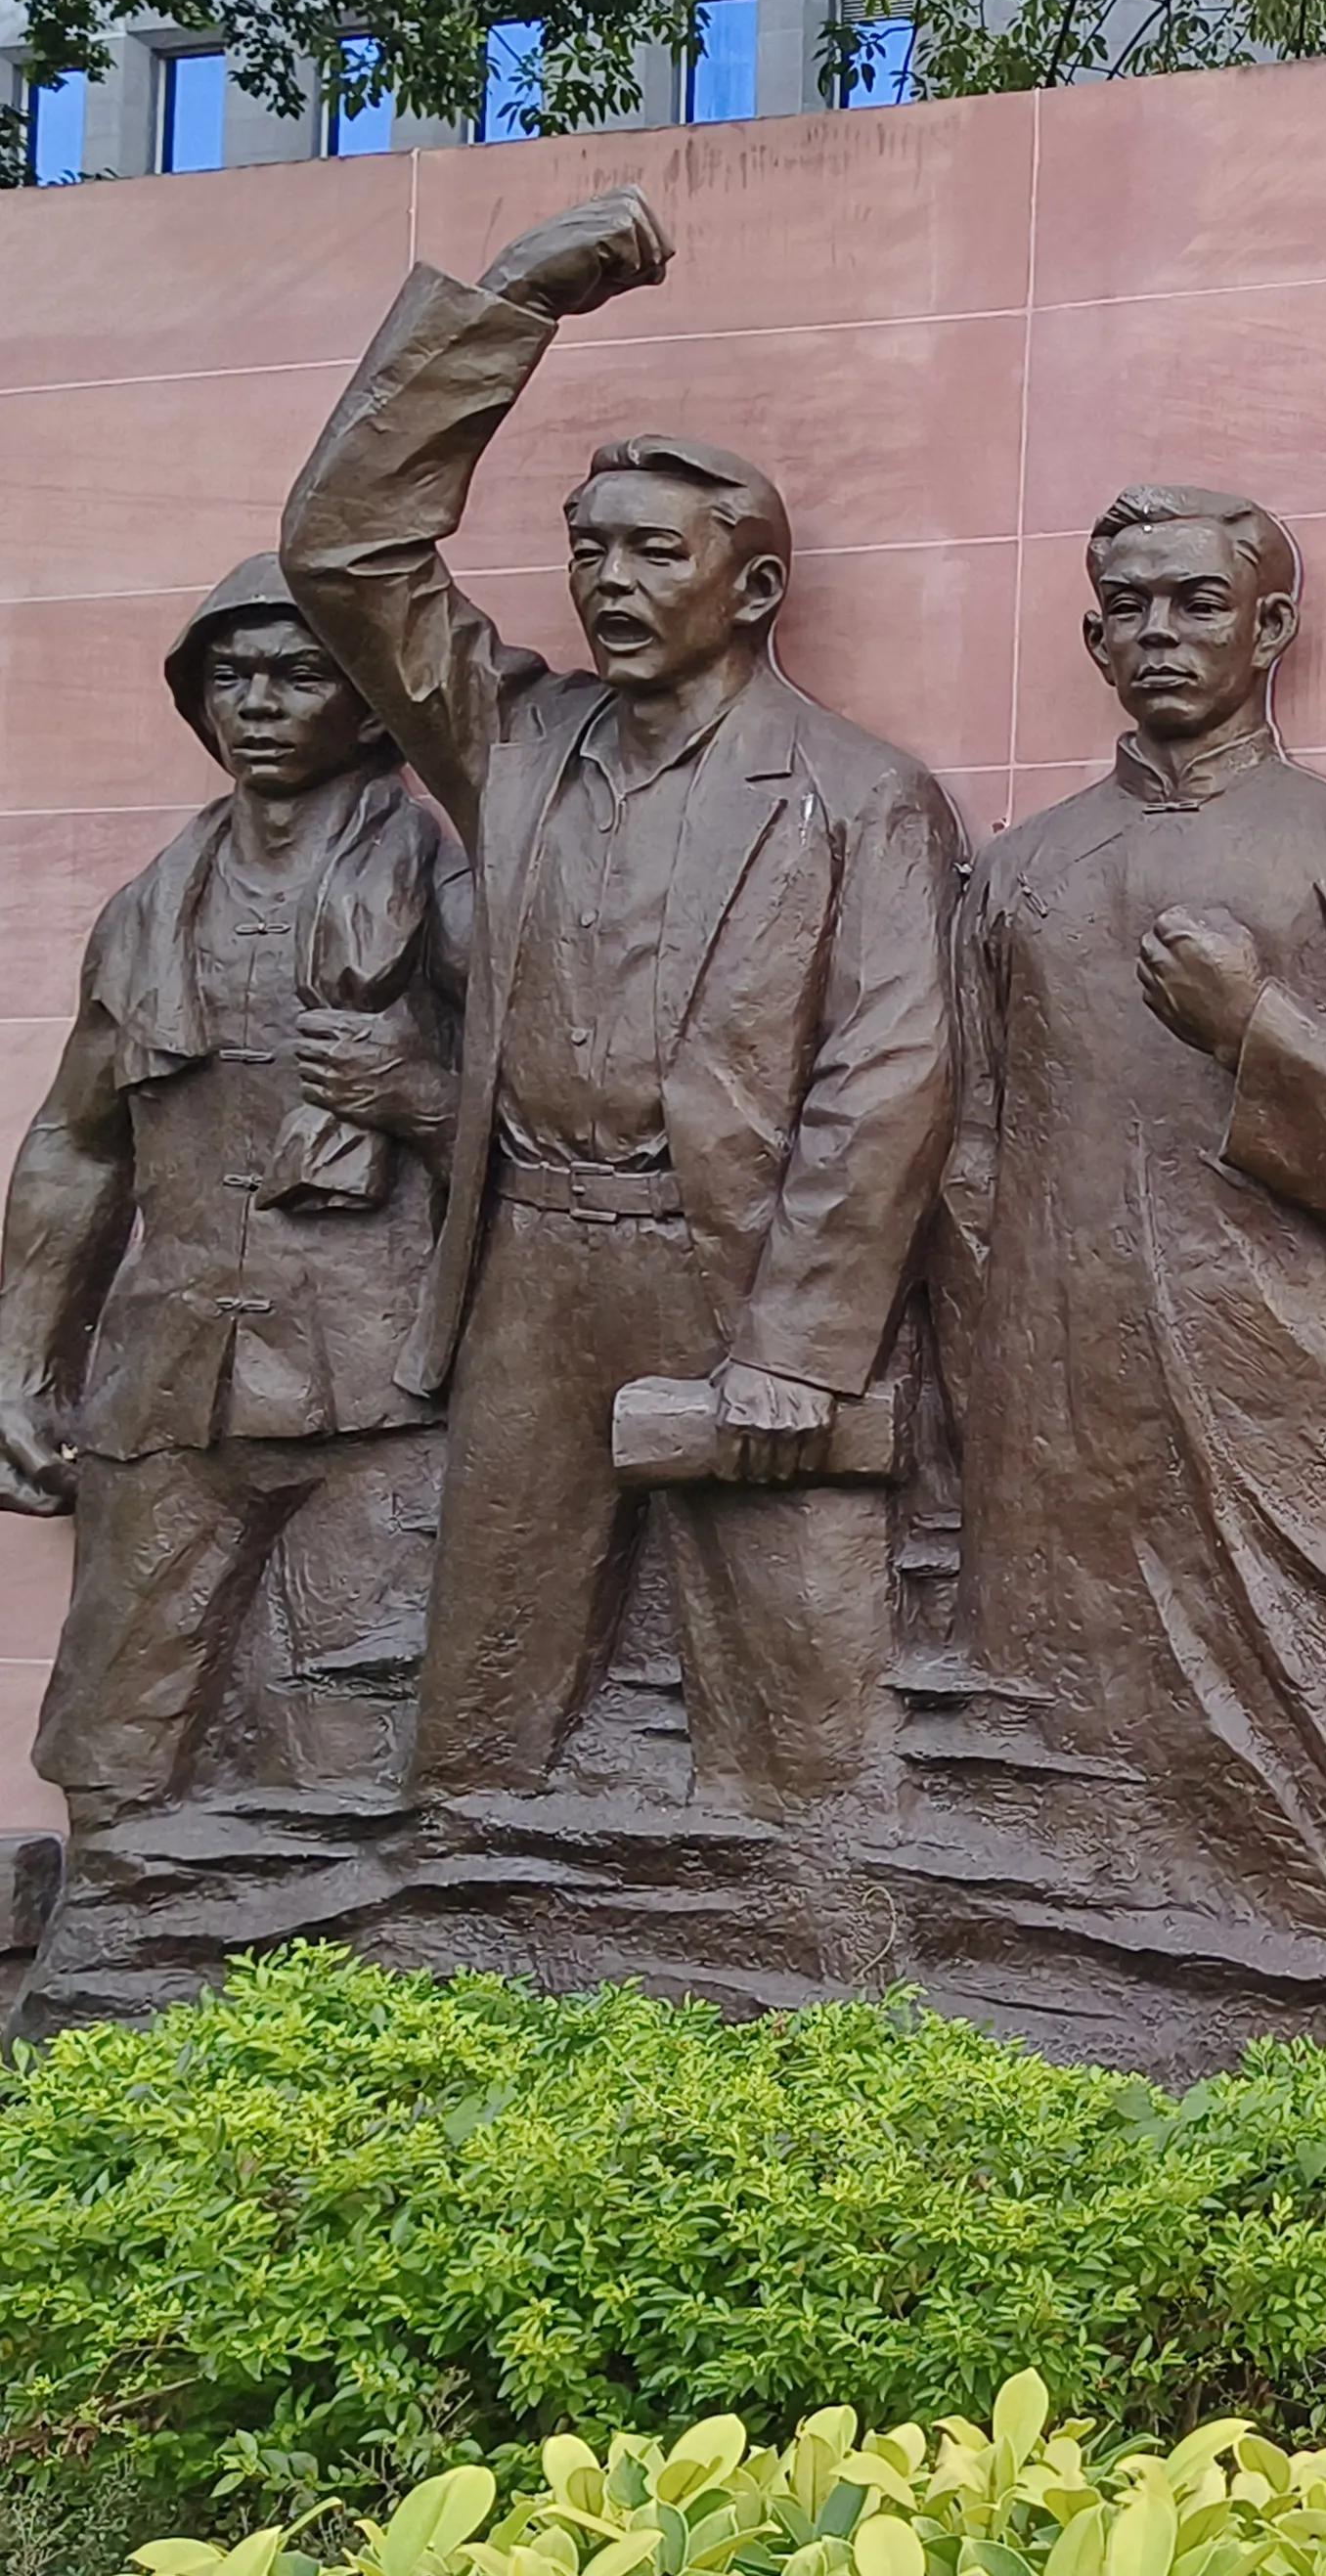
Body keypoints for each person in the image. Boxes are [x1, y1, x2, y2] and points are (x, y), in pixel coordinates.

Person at [278, 190, 962, 1812]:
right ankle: (468, 1921)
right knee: (481, 1717)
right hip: (532, 1267)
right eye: (589, 551)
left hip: (737, 1270)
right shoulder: (514, 746)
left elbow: (890, 1076)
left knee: (800, 1718)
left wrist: (797, 1348)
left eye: (659, 551)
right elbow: (342, 548)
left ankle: (816, 1937)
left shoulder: (860, 795)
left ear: (755, 586)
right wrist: (511, 300)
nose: (611, 581)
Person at [937, 483, 1326, 2071]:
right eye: (1129, 607)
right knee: (1057, 1729)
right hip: (1053, 1381)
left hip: (1266, 1376)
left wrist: (1261, 1027)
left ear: (1270, 628)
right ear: (1092, 636)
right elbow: (965, 1144)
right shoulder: (1021, 872)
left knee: (1306, 1724)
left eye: (1196, 602)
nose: (1160, 633)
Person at [0, 557, 465, 1825]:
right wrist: (24, 1360)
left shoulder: (454, 893)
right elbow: (79, 1143)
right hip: (169, 1380)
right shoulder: (144, 912)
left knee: (359, 1745)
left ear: (369, 707)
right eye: (230, 676)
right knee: (117, 1739)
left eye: (299, 674)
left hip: (381, 1392)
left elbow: (573, 1130)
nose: (257, 703)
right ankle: (121, 1941)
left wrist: (418, 1092)